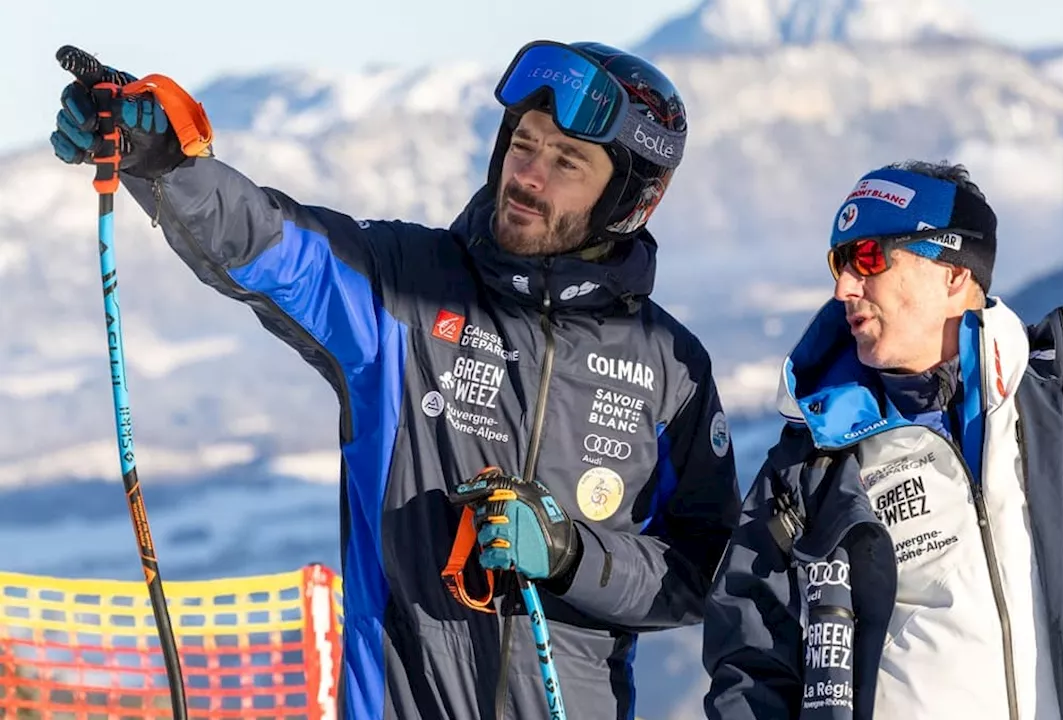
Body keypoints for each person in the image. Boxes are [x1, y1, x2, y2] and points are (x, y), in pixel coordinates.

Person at [50, 39, 742, 720]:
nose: (528, 174)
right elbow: (268, 243)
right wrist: (164, 162)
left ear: (628, 198)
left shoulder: (670, 367)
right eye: (524, 144)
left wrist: (571, 557)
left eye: (567, 162)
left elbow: (702, 571)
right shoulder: (403, 291)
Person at [700, 160, 1063, 719]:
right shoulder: (810, 464)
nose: (845, 286)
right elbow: (749, 661)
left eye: (868, 258)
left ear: (954, 274)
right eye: (838, 263)